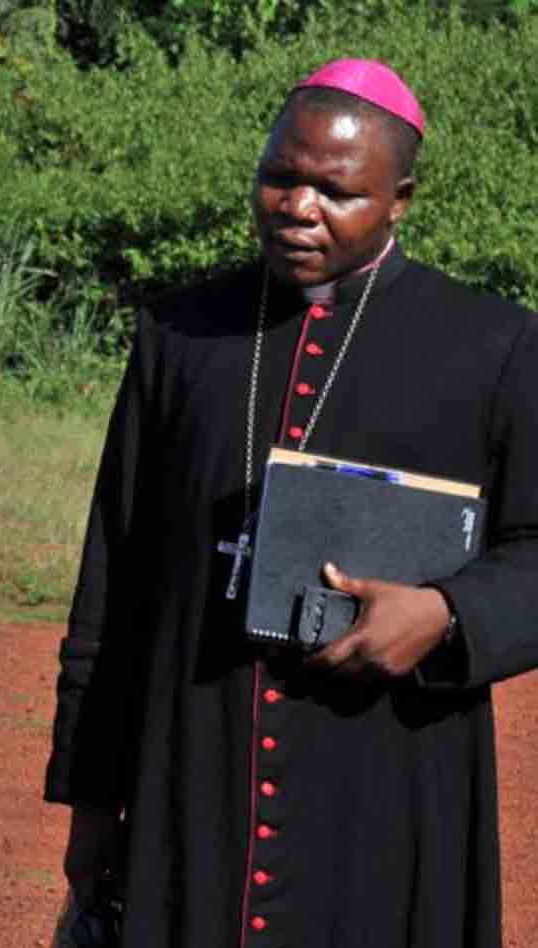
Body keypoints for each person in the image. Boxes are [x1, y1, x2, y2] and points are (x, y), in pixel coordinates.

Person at [47, 59, 538, 947]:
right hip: (194, 763)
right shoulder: (180, 333)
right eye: (278, 176)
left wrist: (446, 612)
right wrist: (90, 797)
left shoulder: (495, 345)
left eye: (335, 191)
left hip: (386, 776)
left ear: (399, 200)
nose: (297, 207)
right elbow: (114, 576)